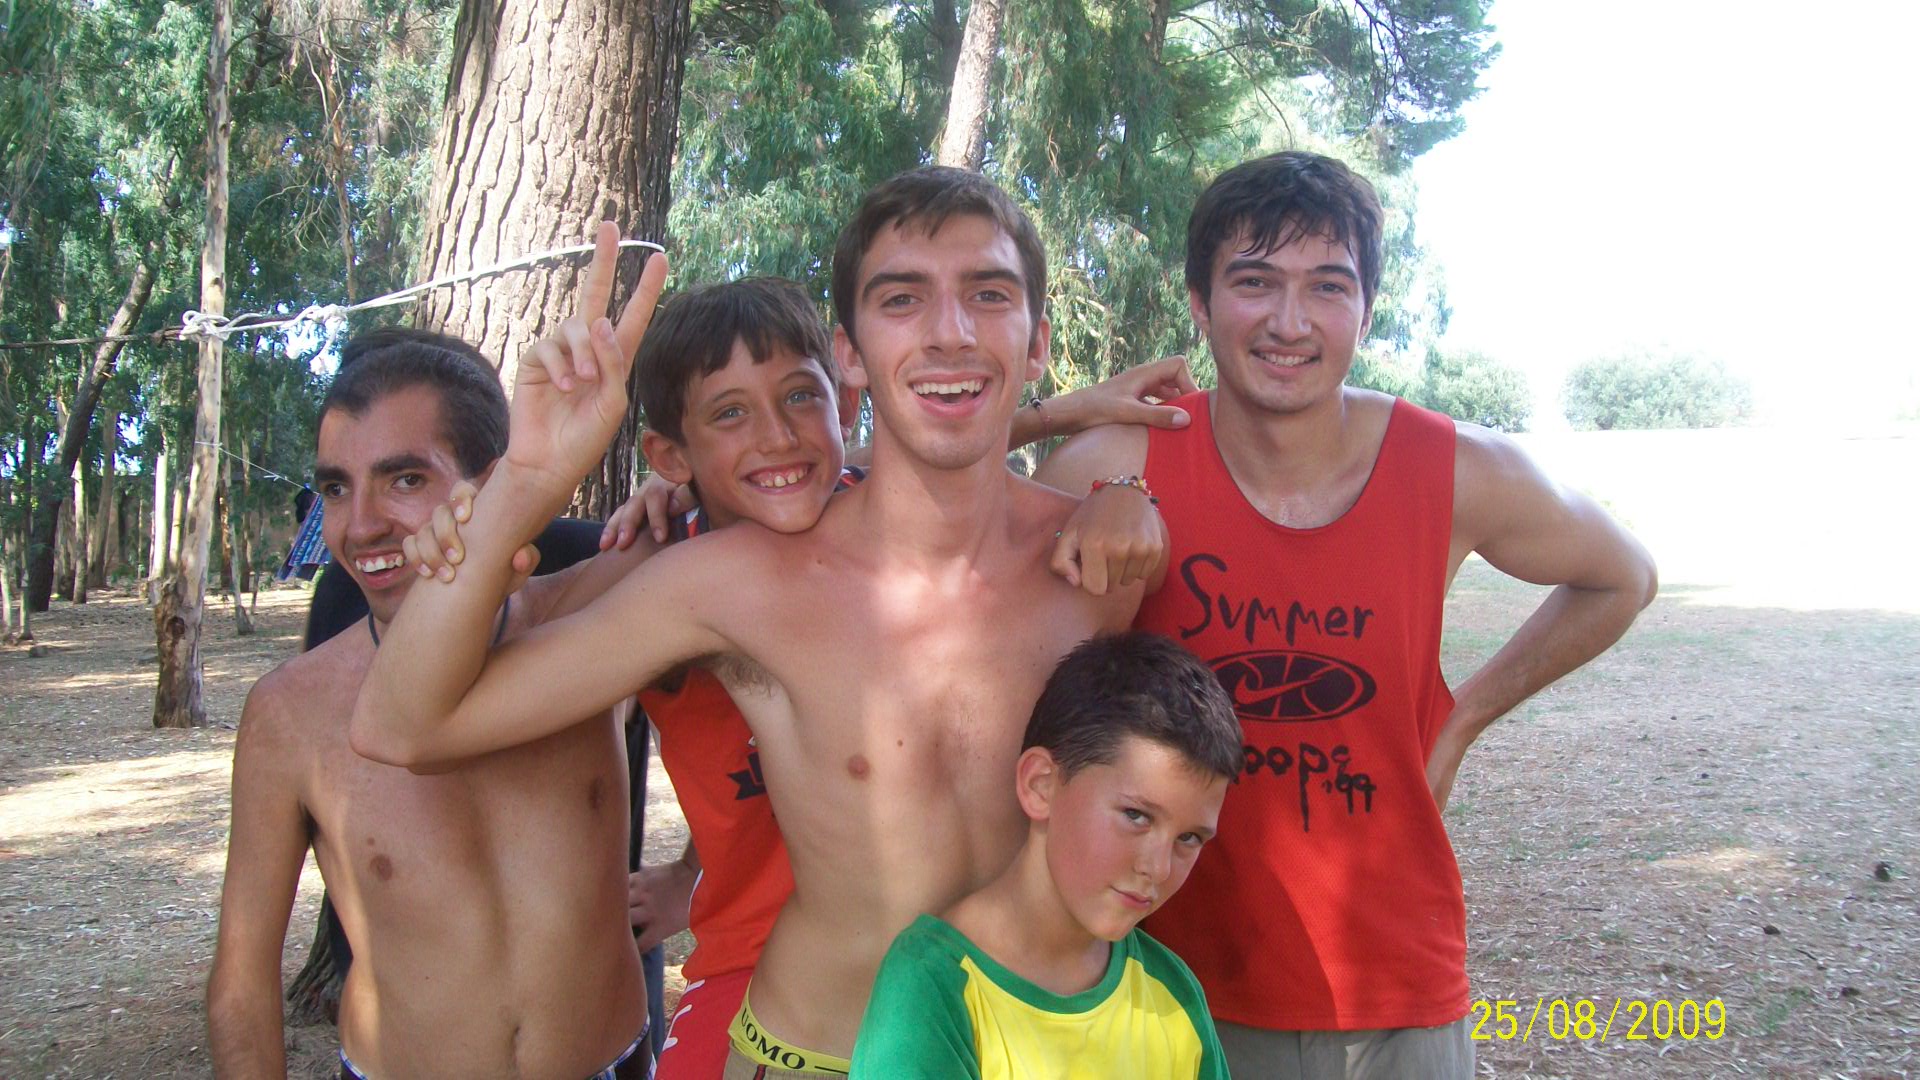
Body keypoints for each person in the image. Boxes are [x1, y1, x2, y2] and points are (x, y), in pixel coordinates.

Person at [353, 171, 1167, 1077]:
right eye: (905, 299)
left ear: (1039, 339)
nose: (950, 330)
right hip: (820, 1052)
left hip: (1043, 1051)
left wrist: (1128, 494)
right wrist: (529, 480)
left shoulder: (1097, 567)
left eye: (989, 293)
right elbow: (403, 725)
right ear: (852, 353)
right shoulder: (737, 583)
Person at [1036, 150, 1660, 1079]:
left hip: (1395, 984)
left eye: (1327, 287)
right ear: (1202, 305)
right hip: (1171, 981)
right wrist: (1045, 425)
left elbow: (1623, 576)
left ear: (1366, 309)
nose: (1290, 323)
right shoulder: (1117, 467)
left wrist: (1461, 718)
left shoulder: (1450, 468)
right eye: (1254, 283)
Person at [205, 327, 652, 1079]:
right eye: (336, 488)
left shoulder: (595, 618)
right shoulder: (292, 713)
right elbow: (243, 982)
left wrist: (693, 874)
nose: (362, 524)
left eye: (405, 479)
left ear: (496, 483)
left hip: (610, 1059)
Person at [849, 632, 1237, 1079]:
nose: (1158, 867)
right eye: (1136, 815)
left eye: (1189, 839)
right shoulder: (933, 985)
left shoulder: (1173, 994)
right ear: (1040, 785)